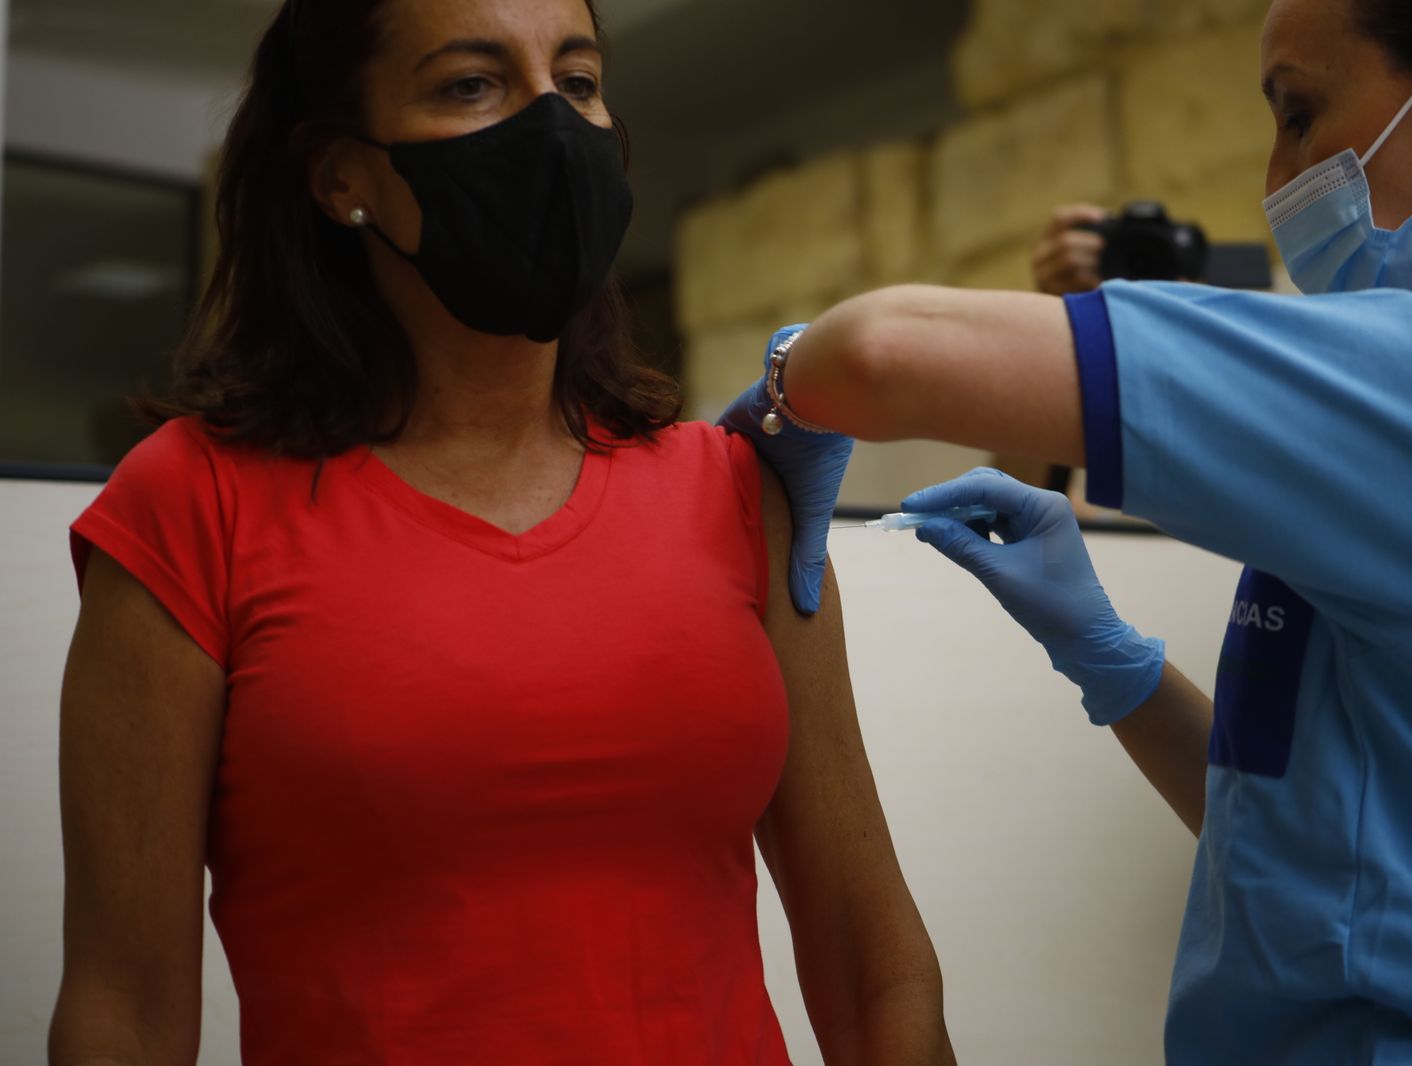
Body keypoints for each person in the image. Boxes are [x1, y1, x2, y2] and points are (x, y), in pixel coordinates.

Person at [48, 1, 956, 1063]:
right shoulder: (192, 503)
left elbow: (872, 964)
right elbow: (124, 1012)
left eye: (575, 81)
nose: (550, 127)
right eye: (470, 85)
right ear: (342, 175)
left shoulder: (736, 492)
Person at [722, 0, 1412, 1062]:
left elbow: (884, 352)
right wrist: (1117, 668)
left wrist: (788, 381)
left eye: (1299, 113)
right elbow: (1329, 854)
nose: (1276, 183)